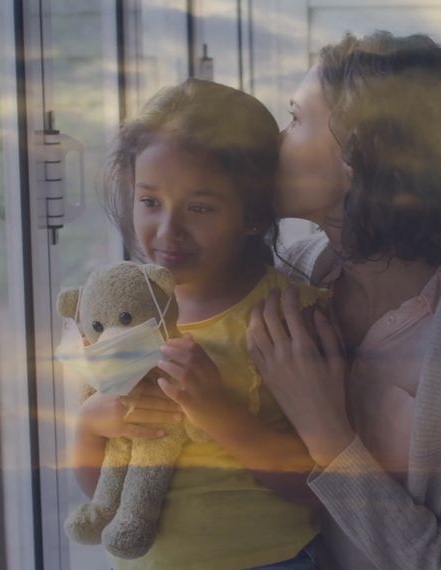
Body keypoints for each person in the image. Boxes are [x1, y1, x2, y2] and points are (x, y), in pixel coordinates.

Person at [247, 32, 441, 569]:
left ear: (361, 154)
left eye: (297, 119)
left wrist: (327, 432)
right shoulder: (278, 279)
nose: (276, 138)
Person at [69, 78, 323, 570]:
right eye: (150, 202)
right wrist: (90, 424)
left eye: (200, 208)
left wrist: (218, 413)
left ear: (251, 213)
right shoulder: (114, 311)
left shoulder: (289, 315)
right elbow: (101, 488)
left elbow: (320, 484)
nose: (167, 231)